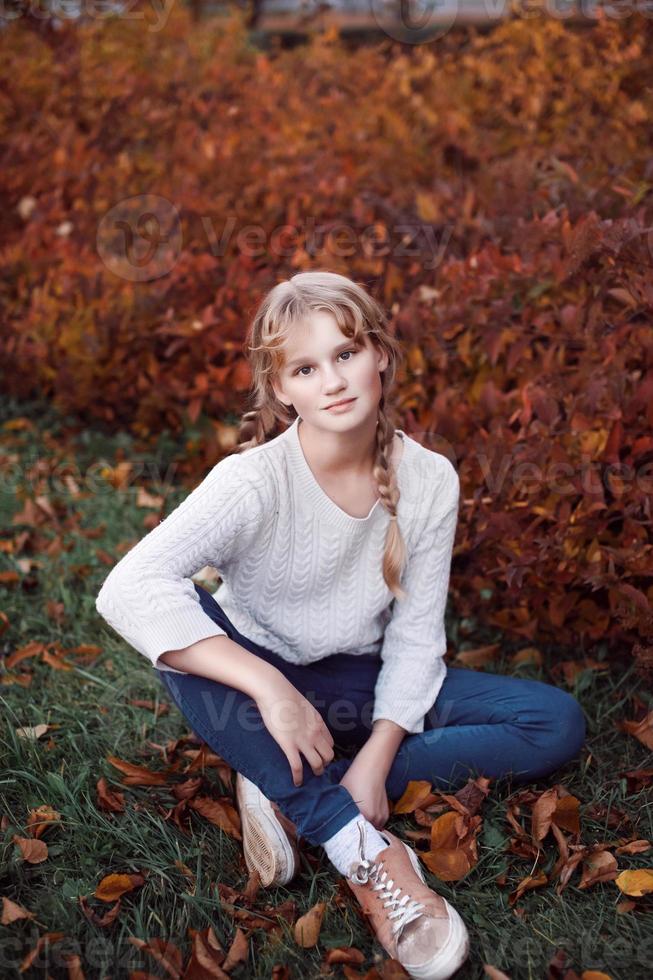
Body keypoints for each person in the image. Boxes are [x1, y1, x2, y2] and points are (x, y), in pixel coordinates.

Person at [95, 271, 586, 980]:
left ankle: (295, 782)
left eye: (346, 353)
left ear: (379, 354)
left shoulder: (429, 480)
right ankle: (361, 851)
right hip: (249, 673)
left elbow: (417, 637)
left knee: (551, 722)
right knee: (174, 633)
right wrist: (269, 689)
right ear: (281, 388)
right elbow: (126, 589)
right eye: (305, 367)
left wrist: (379, 762)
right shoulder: (253, 480)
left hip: (353, 678)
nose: (332, 380)